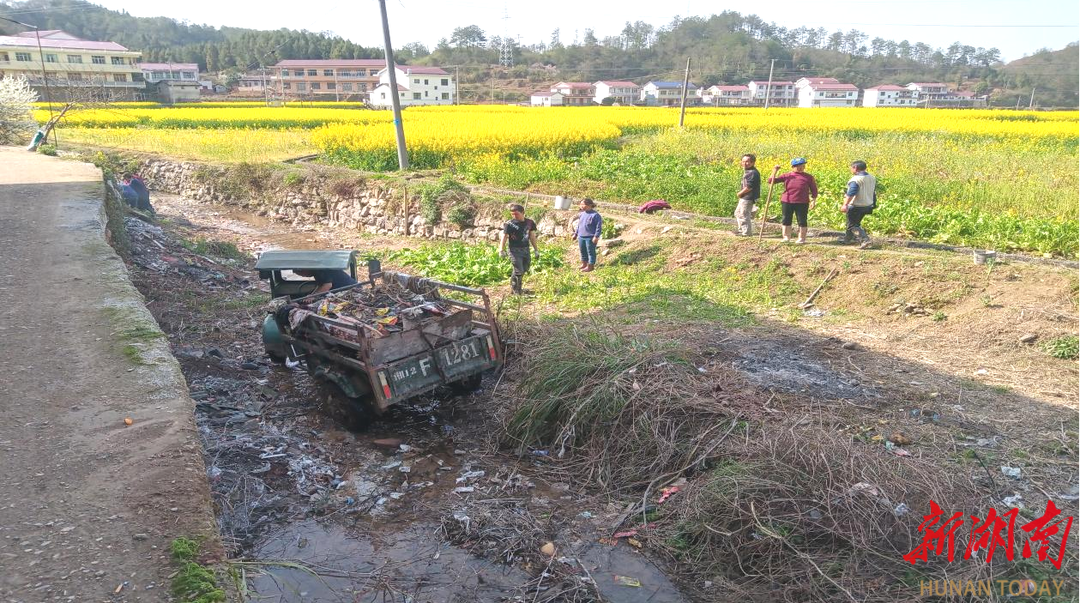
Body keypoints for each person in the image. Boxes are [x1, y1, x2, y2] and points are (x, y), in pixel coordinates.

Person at [768, 157, 818, 244]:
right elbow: (771, 181)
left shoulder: (808, 177)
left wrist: (813, 200)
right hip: (787, 200)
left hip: (802, 201)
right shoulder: (787, 175)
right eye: (798, 166)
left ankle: (801, 238)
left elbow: (814, 189)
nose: (801, 167)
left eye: (802, 165)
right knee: (786, 219)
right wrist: (774, 171)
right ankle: (786, 237)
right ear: (793, 167)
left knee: (802, 220)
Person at [498, 203, 540, 295]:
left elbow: (532, 236)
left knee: (525, 268)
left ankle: (514, 286)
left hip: (525, 249)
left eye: (516, 214)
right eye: (512, 214)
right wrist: (501, 249)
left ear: (523, 212)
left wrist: (536, 250)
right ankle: (517, 290)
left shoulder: (530, 223)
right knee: (518, 270)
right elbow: (504, 237)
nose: (514, 216)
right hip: (514, 250)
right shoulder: (509, 224)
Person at [842, 160, 877, 249]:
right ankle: (848, 239)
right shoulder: (872, 178)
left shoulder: (856, 180)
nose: (851, 170)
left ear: (855, 168)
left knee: (852, 225)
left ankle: (865, 240)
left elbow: (851, 193)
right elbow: (873, 191)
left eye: (851, 168)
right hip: (868, 204)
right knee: (853, 222)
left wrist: (845, 204)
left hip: (857, 205)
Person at [572, 198, 602, 272]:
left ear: (590, 205)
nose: (581, 206)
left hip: (590, 237)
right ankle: (584, 264)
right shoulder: (582, 214)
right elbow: (579, 225)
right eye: (580, 204)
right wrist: (575, 234)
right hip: (581, 236)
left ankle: (590, 266)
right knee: (583, 251)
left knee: (590, 252)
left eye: (583, 204)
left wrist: (596, 236)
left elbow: (598, 227)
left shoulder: (595, 215)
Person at [734, 153, 761, 236]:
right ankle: (741, 230)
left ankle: (746, 233)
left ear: (753, 163)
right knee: (738, 213)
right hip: (745, 196)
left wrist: (740, 193)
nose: (745, 163)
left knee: (744, 214)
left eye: (747, 162)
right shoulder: (748, 171)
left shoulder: (752, 173)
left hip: (748, 197)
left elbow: (749, 187)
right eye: (743, 161)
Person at [294, 268, 358, 294]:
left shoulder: (320, 270)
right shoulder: (316, 273)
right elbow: (320, 286)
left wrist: (314, 296)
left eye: (302, 275)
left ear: (304, 270)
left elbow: (327, 285)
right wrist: (312, 295)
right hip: (341, 290)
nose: (304, 276)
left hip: (351, 289)